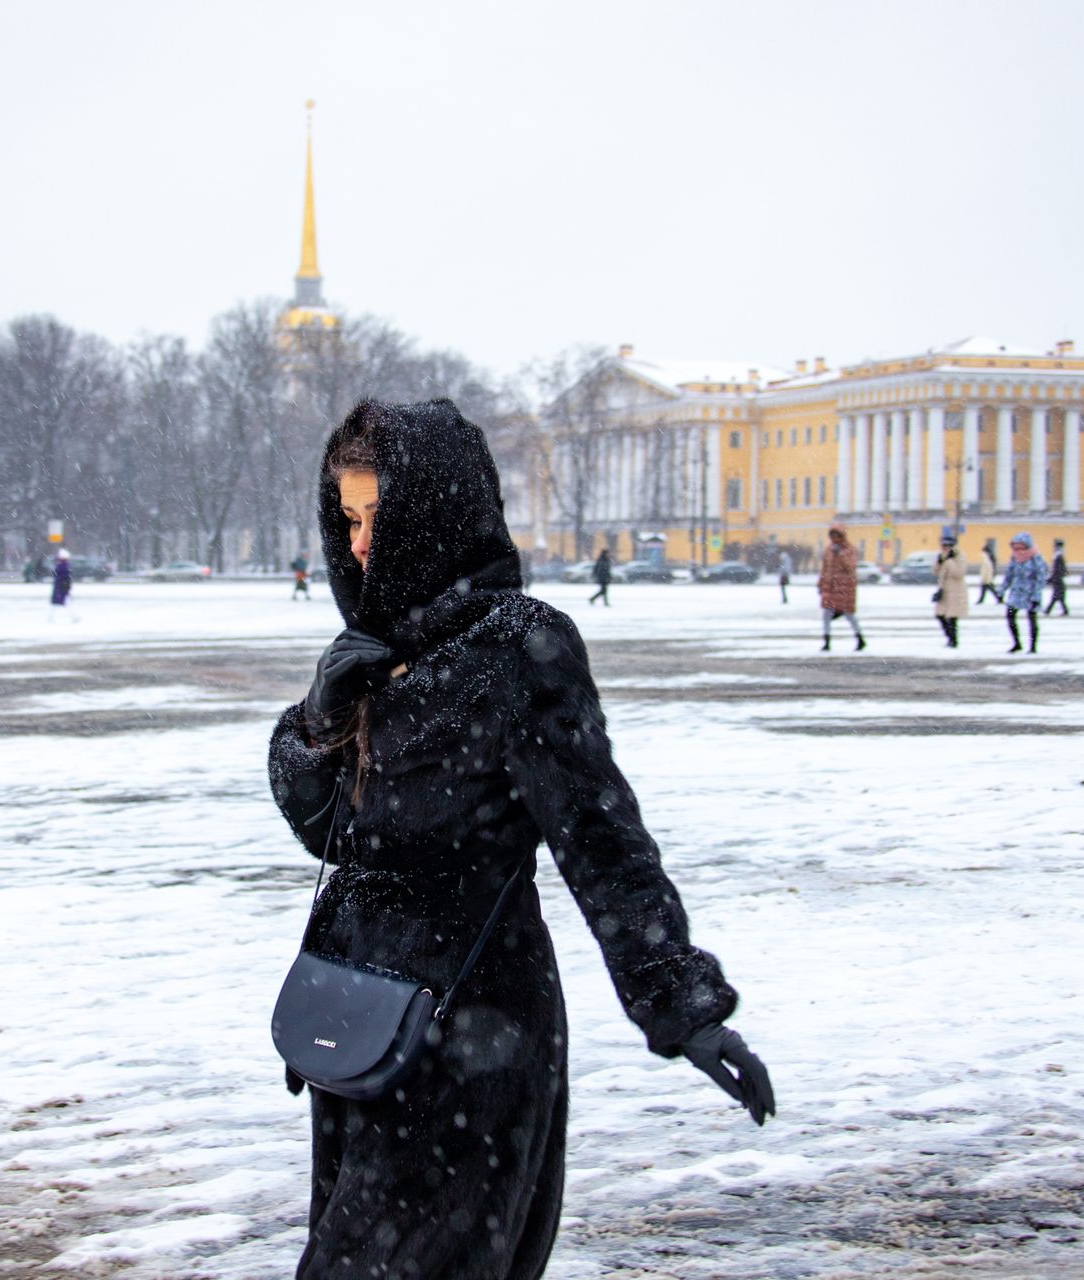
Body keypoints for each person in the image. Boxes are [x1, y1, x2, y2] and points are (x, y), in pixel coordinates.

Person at [269, 399, 772, 1278]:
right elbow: (327, 835)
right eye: (345, 521)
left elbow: (601, 837)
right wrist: (317, 720)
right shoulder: (375, 647)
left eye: (374, 520)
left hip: (472, 1028)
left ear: (430, 514)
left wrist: (680, 1002)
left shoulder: (518, 647)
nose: (355, 547)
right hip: (363, 1024)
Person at [817, 524, 866, 652]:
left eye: (837, 535)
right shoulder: (828, 550)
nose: (834, 538)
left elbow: (850, 567)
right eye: (832, 536)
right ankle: (826, 641)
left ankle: (860, 638)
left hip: (845, 587)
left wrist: (841, 555)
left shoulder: (849, 550)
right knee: (826, 614)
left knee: (849, 614)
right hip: (830, 587)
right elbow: (824, 568)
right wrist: (820, 583)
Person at [1001, 531, 1047, 653]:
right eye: (1015, 547)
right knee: (1010, 616)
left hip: (1031, 593)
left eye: (1020, 547)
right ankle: (1017, 643)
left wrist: (1036, 595)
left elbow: (1041, 577)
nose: (1018, 550)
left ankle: (1033, 646)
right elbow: (1009, 575)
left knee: (1031, 619)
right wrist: (1001, 589)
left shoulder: (1035, 558)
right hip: (1016, 593)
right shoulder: (1014, 558)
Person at [934, 532, 969, 648]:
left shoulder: (959, 556)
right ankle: (949, 637)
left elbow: (959, 574)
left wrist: (949, 562)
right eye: (943, 546)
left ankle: (953, 641)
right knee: (940, 615)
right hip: (944, 591)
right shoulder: (942, 556)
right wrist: (938, 563)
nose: (944, 548)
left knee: (952, 617)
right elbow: (935, 572)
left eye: (947, 546)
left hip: (956, 591)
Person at [1045, 539, 1070, 616]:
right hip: (1057, 580)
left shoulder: (1058, 556)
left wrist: (1052, 579)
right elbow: (1061, 570)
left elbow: (1057, 570)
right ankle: (1049, 611)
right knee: (1058, 597)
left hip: (1057, 580)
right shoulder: (1058, 556)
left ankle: (1048, 611)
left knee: (1057, 596)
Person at [48, 547, 74, 620]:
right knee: (66, 601)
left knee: (57, 602)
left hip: (60, 586)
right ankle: (72, 617)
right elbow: (65, 576)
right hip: (62, 586)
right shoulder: (65, 566)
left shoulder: (61, 565)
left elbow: (57, 574)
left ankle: (51, 617)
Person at [976, 537, 1002, 605]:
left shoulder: (985, 558)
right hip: (988, 576)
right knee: (987, 589)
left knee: (990, 588)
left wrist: (985, 578)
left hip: (987, 577)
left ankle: (999, 598)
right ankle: (981, 600)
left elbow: (986, 569)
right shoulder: (989, 557)